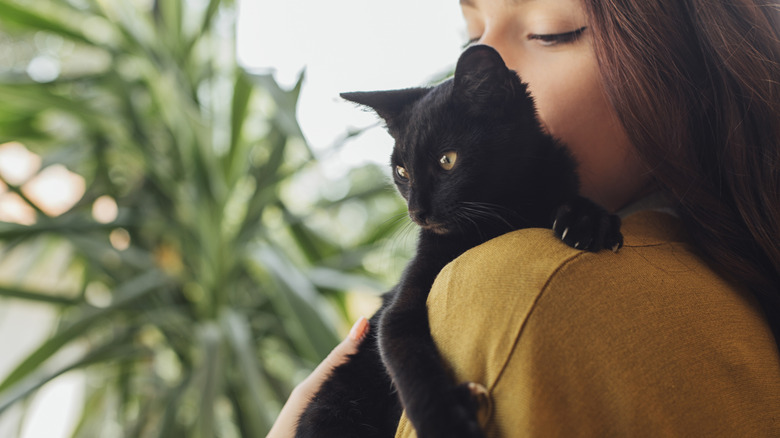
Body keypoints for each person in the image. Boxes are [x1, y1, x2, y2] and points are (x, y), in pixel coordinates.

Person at [271, 0, 780, 436]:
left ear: (685, 52)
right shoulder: (736, 296)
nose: (489, 67)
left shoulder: (530, 289)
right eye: (471, 32)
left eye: (551, 31)